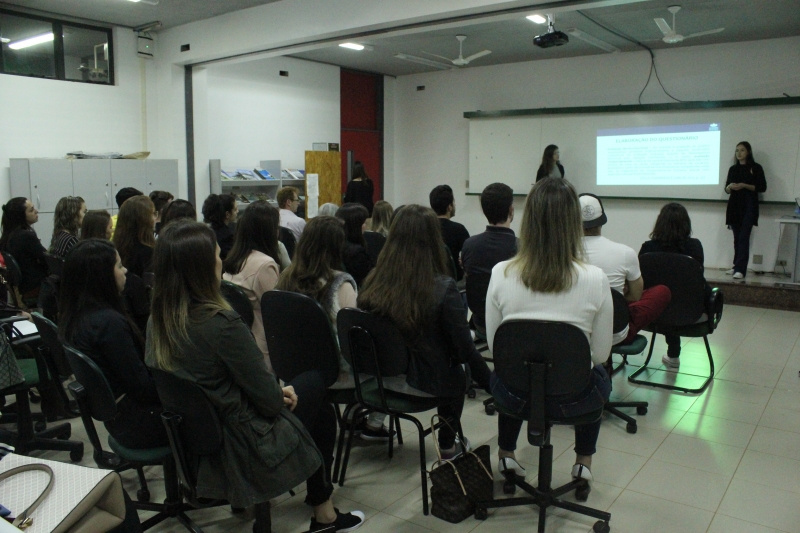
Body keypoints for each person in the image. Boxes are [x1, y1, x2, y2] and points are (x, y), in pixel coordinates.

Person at [146, 220, 364, 533]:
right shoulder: (222, 324)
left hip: (195, 437)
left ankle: (315, 508)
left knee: (308, 393)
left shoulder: (158, 321)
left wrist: (274, 392)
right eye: (217, 255)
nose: (222, 261)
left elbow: (211, 381)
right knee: (319, 395)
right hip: (241, 441)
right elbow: (269, 402)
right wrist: (277, 393)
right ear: (201, 268)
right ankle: (324, 515)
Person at [486, 178, 612, 485]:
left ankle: (506, 453)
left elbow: (494, 348)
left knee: (510, 371)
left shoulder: (501, 272)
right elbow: (600, 354)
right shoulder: (595, 278)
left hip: (515, 395)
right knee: (598, 375)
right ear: (574, 223)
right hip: (573, 399)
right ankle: (583, 463)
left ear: (527, 220)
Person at [358, 205, 492, 459]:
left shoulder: (373, 280)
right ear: (433, 240)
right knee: (458, 369)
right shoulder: (442, 288)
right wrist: (493, 385)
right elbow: (465, 350)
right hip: (423, 385)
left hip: (379, 381)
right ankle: (448, 444)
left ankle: (376, 423)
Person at [276, 216, 391, 441]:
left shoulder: (284, 279)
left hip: (294, 370)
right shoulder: (341, 284)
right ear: (336, 247)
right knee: (386, 360)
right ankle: (371, 423)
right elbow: (354, 336)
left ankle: (353, 418)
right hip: (336, 374)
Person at [58, 239, 167, 449]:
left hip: (120, 419)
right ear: (102, 277)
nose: (125, 270)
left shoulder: (75, 316)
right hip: (139, 424)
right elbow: (143, 389)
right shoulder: (108, 324)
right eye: (119, 266)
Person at [579, 193, 671, 346]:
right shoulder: (625, 252)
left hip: (576, 331)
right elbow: (635, 296)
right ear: (602, 221)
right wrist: (618, 294)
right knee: (661, 292)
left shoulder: (560, 255)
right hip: (615, 333)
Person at [640, 203, 710, 368]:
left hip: (655, 312)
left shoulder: (648, 248)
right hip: (690, 311)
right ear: (686, 224)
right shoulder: (694, 247)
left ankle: (673, 353)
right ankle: (673, 354)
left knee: (666, 297)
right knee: (680, 293)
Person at [222, 201, 282, 368]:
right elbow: (277, 311)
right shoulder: (265, 264)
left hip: (239, 340)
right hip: (263, 346)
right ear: (268, 231)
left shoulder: (236, 258)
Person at [461, 183, 518, 335]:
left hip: (480, 322)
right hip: (512, 325)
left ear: (484, 210)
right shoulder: (523, 249)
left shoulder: (469, 245)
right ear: (511, 210)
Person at [725, 141, 767, 280]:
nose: (739, 153)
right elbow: (726, 189)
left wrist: (744, 185)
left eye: (742, 150)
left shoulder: (756, 167)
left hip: (749, 206)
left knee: (743, 238)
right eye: (737, 150)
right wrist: (730, 187)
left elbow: (762, 187)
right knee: (737, 238)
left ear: (748, 152)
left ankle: (741, 269)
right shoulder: (733, 169)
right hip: (734, 206)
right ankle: (736, 265)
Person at [0, 197, 47, 298]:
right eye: (31, 210)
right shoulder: (26, 236)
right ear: (20, 216)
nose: (36, 211)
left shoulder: (7, 237)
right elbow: (46, 259)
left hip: (22, 288)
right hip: (34, 288)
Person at [429, 184, 469, 281]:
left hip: (427, 280)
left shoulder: (424, 228)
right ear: (449, 207)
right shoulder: (459, 229)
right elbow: (469, 258)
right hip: (454, 281)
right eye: (453, 202)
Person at [112, 195, 156, 277]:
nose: (155, 218)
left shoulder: (114, 249)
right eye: (153, 214)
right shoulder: (149, 253)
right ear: (144, 220)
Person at [335, 203, 374, 287]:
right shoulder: (356, 253)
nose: (366, 226)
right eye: (364, 223)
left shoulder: (336, 245)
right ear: (355, 225)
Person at [202, 193, 238, 259]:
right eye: (235, 209)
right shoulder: (227, 236)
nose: (237, 211)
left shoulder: (208, 230)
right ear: (227, 214)